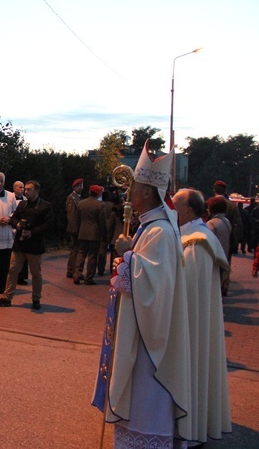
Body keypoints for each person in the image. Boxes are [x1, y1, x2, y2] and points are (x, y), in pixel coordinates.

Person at [101, 141, 193, 446]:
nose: (129, 193)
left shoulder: (161, 232)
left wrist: (129, 258)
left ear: (145, 192)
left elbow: (156, 286)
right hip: (138, 328)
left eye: (135, 187)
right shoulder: (149, 227)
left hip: (148, 336)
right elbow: (141, 273)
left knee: (144, 389)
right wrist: (127, 261)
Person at [172, 188, 232, 444]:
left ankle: (190, 424)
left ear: (187, 210)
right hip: (187, 321)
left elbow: (186, 289)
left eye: (174, 204)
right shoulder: (189, 235)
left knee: (193, 367)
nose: (171, 209)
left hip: (190, 325)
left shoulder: (197, 242)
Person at [0, 180, 53, 310]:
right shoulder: (22, 205)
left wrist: (32, 232)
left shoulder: (45, 206)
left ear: (37, 191)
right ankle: (7, 297)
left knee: (36, 274)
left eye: (29, 189)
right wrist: (18, 224)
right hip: (20, 244)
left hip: (35, 245)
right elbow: (13, 218)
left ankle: (36, 298)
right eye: (25, 189)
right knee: (13, 270)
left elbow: (48, 225)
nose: (26, 191)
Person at [73, 184, 106, 285]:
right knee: (92, 256)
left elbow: (77, 219)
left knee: (81, 253)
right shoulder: (100, 205)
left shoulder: (81, 203)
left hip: (82, 232)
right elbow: (102, 222)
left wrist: (78, 230)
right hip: (94, 234)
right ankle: (89, 277)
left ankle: (77, 275)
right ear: (98, 193)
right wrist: (104, 235)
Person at [65, 178, 83, 278]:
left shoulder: (78, 197)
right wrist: (75, 228)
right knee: (75, 249)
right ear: (74, 187)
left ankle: (73, 270)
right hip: (75, 228)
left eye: (81, 185)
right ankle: (71, 270)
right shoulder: (72, 198)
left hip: (79, 227)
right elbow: (71, 215)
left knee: (76, 249)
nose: (80, 187)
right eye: (78, 186)